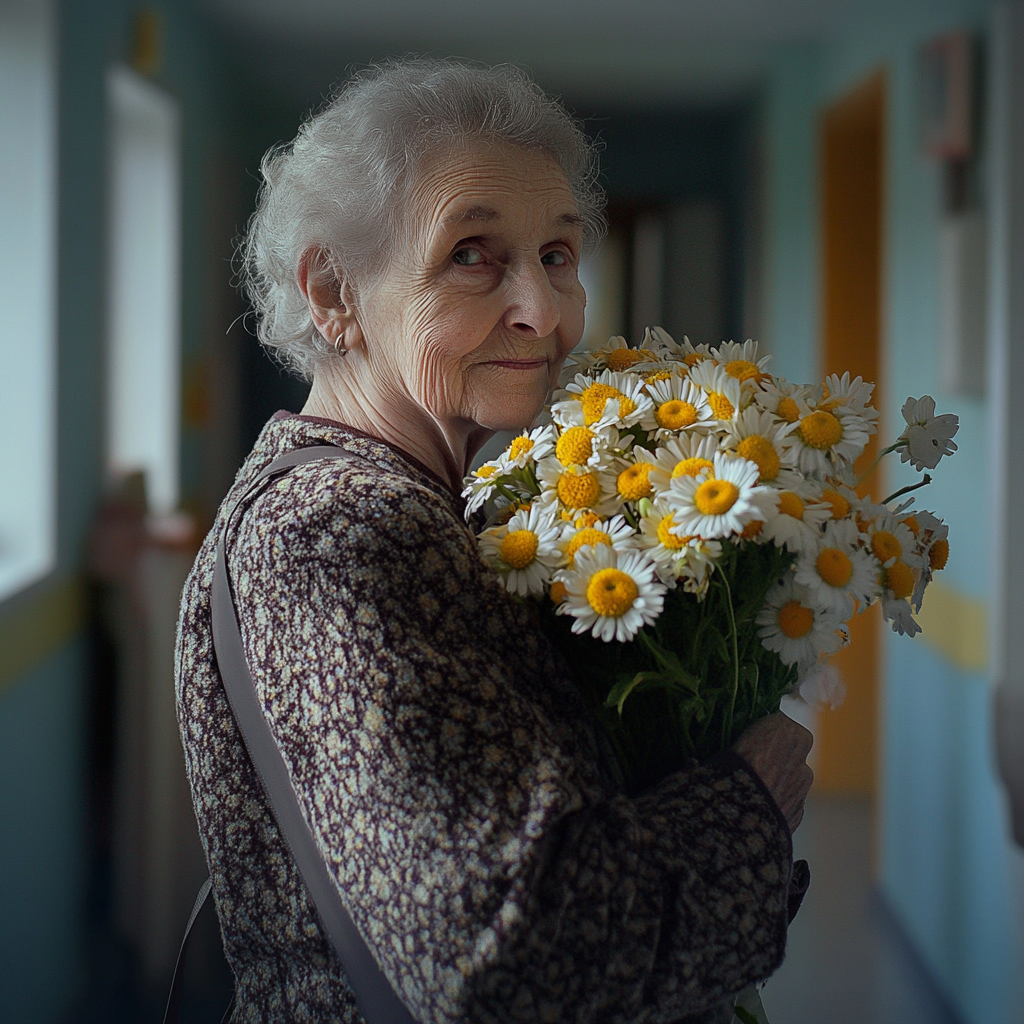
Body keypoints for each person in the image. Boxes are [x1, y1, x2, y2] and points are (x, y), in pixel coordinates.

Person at [176, 58, 813, 1024]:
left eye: (557, 254)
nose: (544, 311)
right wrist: (746, 807)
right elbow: (503, 964)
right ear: (333, 291)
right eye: (473, 253)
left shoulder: (419, 502)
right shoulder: (333, 531)